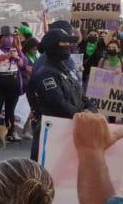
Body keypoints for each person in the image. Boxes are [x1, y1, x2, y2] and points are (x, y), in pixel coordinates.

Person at [26, 21, 85, 160]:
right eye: (66, 43)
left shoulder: (63, 64)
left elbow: (78, 90)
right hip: (53, 125)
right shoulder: (47, 68)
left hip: (62, 124)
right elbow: (57, 102)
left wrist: (90, 109)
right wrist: (81, 114)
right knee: (44, 164)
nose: (69, 46)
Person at [0, 26, 26, 142]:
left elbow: (23, 65)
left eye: (11, 36)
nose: (9, 39)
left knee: (10, 110)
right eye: (6, 36)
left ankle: (10, 133)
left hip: (13, 84)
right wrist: (4, 57)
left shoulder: (16, 49)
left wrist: (17, 57)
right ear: (1, 37)